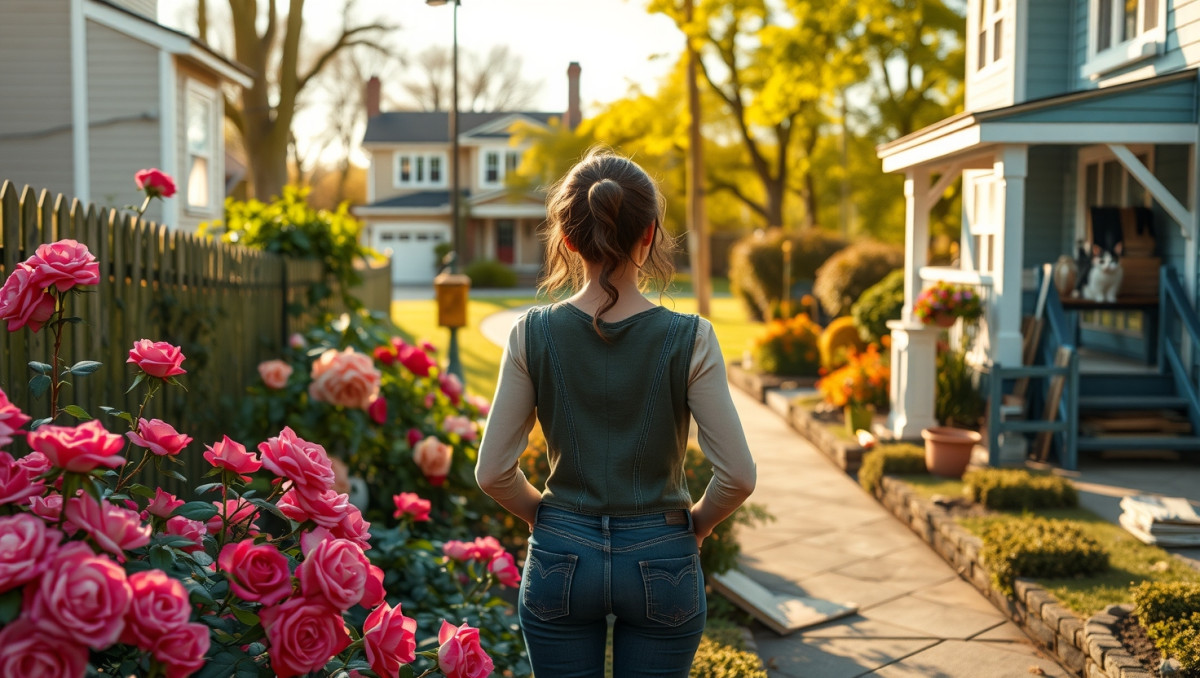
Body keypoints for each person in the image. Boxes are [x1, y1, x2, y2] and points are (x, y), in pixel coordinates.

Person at [475, 148, 756, 678]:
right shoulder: (691, 338)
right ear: (649, 233)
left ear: (566, 238)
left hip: (561, 555)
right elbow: (738, 476)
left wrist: (546, 517)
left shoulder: (529, 333)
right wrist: (696, 526)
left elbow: (492, 473)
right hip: (664, 555)